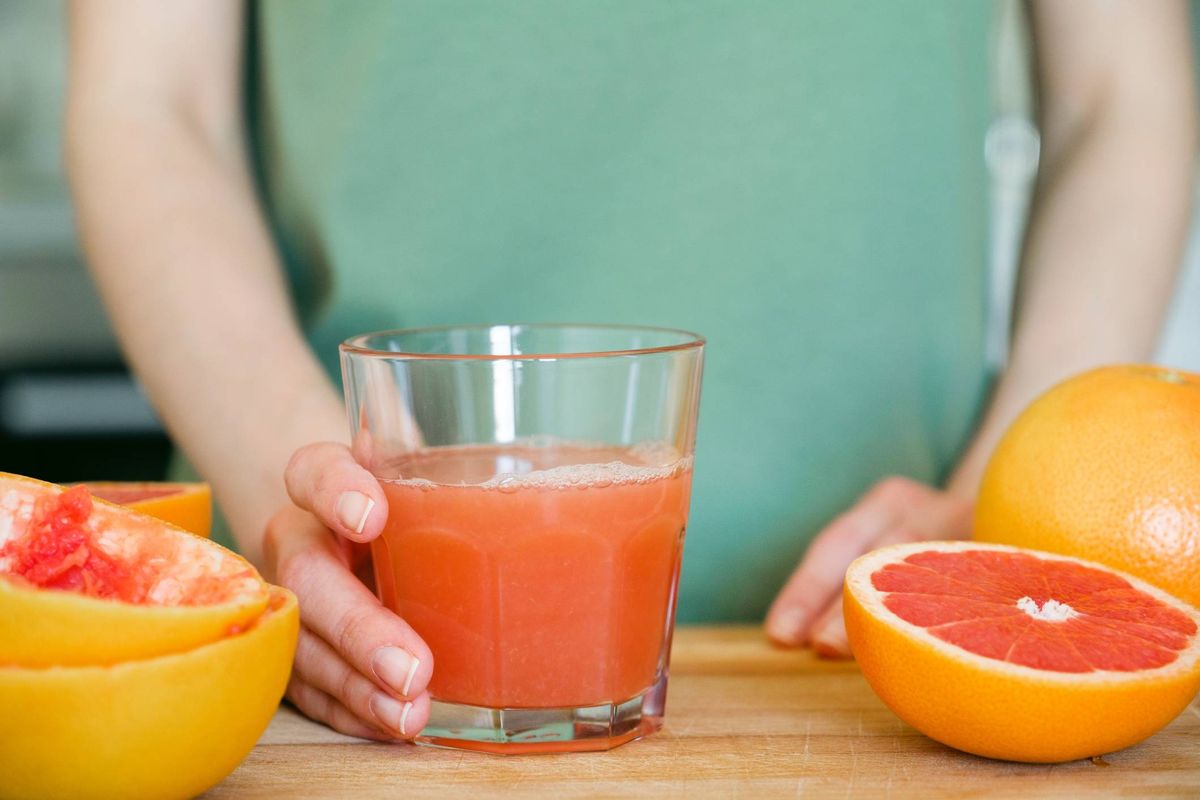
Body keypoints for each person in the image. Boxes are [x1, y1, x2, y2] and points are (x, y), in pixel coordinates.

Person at [66, 1, 1196, 741]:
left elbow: (1118, 96)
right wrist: (296, 491)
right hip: (343, 624)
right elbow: (152, 100)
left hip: (895, 662)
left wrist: (1000, 492)